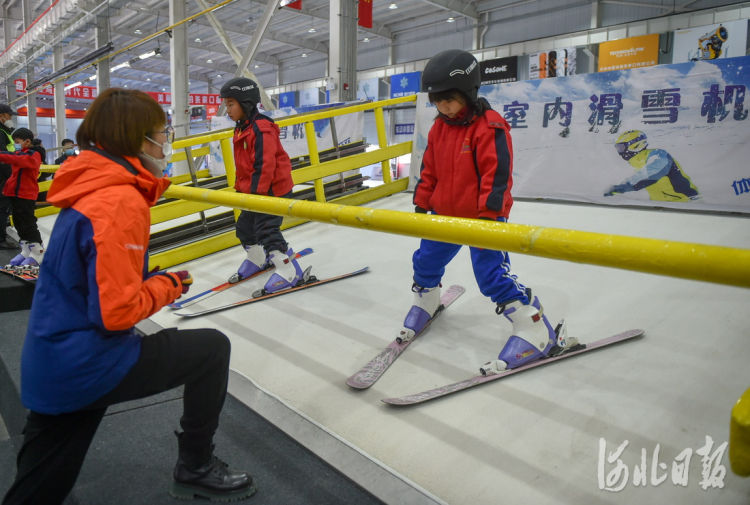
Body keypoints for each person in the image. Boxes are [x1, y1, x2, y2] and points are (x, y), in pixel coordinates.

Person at [1, 88, 256, 505]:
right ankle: (196, 467)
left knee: (37, 487)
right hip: (89, 363)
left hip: (53, 357)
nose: (166, 142)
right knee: (212, 349)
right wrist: (167, 285)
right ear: (139, 139)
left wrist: (143, 279)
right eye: (162, 133)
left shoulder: (90, 188)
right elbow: (115, 313)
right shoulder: (119, 201)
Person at [401, 49, 570, 375]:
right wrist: (423, 201)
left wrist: (489, 218)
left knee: (491, 276)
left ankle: (533, 325)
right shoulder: (439, 128)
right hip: (444, 214)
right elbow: (430, 168)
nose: (443, 107)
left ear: (467, 92)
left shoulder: (489, 127)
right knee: (425, 261)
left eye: (449, 99)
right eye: (437, 101)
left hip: (483, 217)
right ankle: (427, 301)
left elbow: (497, 176)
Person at [219, 77, 303, 293]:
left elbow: (264, 165)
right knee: (244, 229)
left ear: (245, 102)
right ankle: (258, 258)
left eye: (230, 104)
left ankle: (289, 270)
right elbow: (244, 166)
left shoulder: (261, 128)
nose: (227, 110)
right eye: (226, 105)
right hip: (254, 193)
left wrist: (256, 196)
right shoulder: (241, 128)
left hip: (272, 192)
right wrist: (242, 192)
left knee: (266, 229)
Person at [605, 129, 700, 202]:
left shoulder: (659, 155)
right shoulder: (636, 163)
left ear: (635, 145)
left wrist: (621, 187)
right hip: (661, 205)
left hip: (686, 203)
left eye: (621, 148)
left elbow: (651, 173)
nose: (619, 152)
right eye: (618, 148)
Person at [0, 127, 45, 265]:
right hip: (15, 194)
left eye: (17, 141)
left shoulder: (33, 154)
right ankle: (26, 250)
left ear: (27, 141)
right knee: (19, 223)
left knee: (28, 223)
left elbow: (16, 158)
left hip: (26, 195)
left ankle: (38, 252)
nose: (15, 144)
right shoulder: (20, 153)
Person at [0, 103, 16, 249]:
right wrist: (12, 176)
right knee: (2, 207)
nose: (11, 118)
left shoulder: (4, 132)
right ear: (2, 116)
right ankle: (1, 240)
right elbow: (3, 158)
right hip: (2, 178)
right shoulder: (0, 132)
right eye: (9, 115)